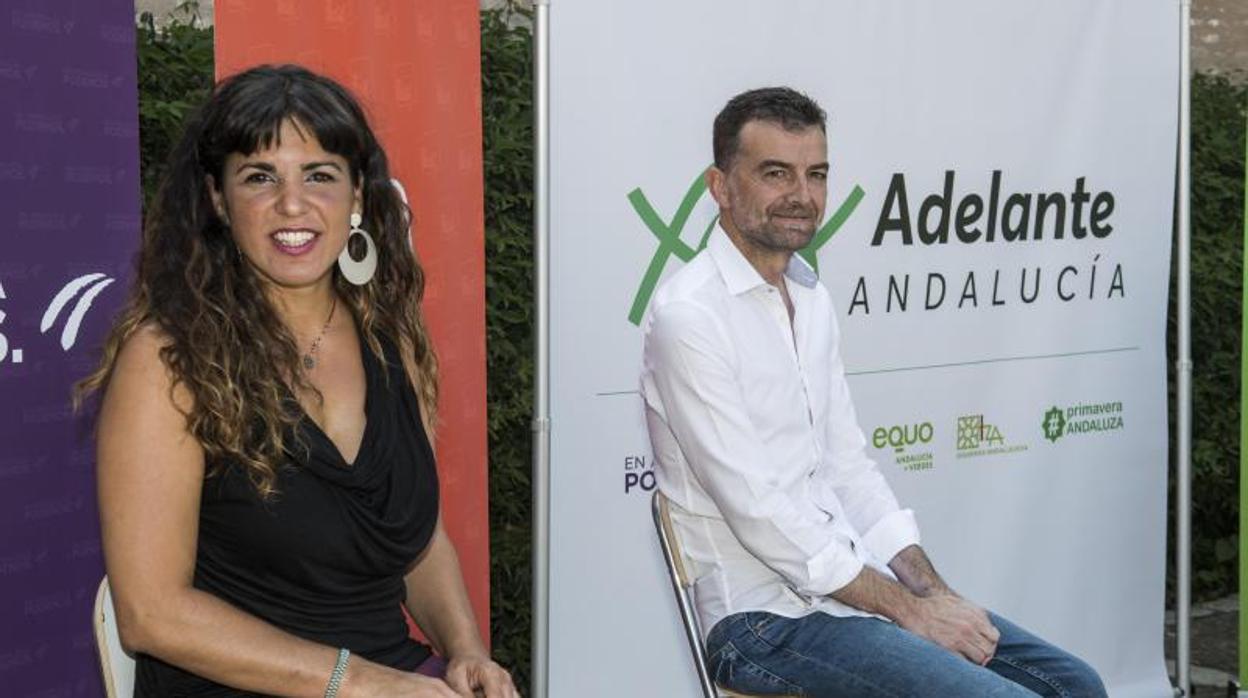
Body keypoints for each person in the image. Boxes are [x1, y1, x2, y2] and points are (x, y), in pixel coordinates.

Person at [640, 87, 1107, 697]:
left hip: (850, 603)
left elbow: (846, 467)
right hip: (759, 624)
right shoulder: (690, 317)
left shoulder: (809, 298)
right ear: (720, 187)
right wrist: (906, 611)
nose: (801, 195)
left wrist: (931, 594)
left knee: (1076, 685)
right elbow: (759, 511)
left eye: (816, 175)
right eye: (774, 173)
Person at [79, 64, 518, 698]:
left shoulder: (394, 342)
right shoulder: (168, 360)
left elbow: (419, 539)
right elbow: (151, 615)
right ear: (217, 200)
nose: (293, 204)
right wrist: (364, 684)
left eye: (320, 176)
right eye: (260, 178)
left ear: (359, 196)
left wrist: (465, 649)